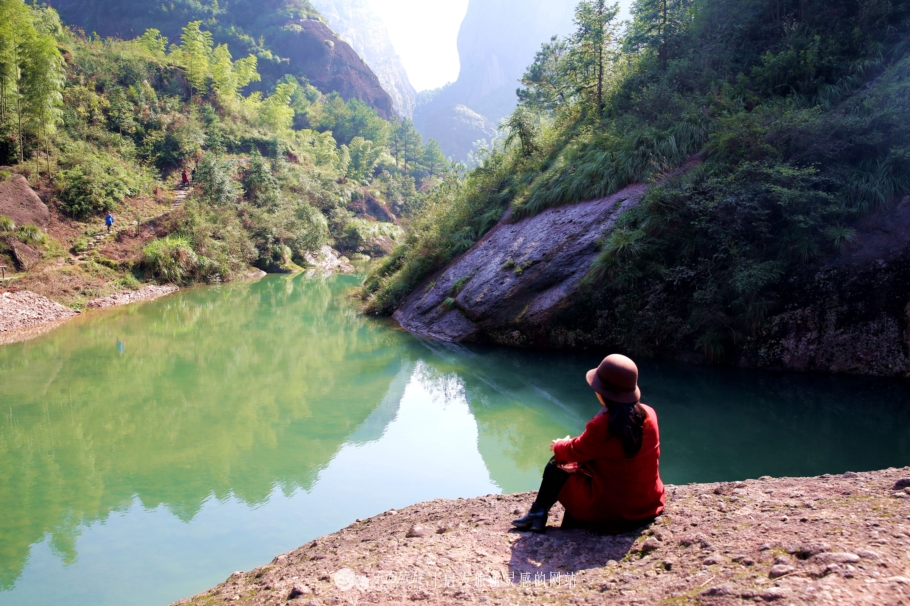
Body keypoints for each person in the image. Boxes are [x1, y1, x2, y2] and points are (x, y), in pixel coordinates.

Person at [512, 354, 665, 533]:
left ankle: (538, 512)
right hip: (648, 504)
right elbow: (611, 453)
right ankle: (545, 516)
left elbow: (571, 451)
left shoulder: (603, 426)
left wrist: (560, 444)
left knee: (557, 463)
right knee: (576, 465)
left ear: (602, 392)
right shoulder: (649, 414)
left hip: (617, 512)